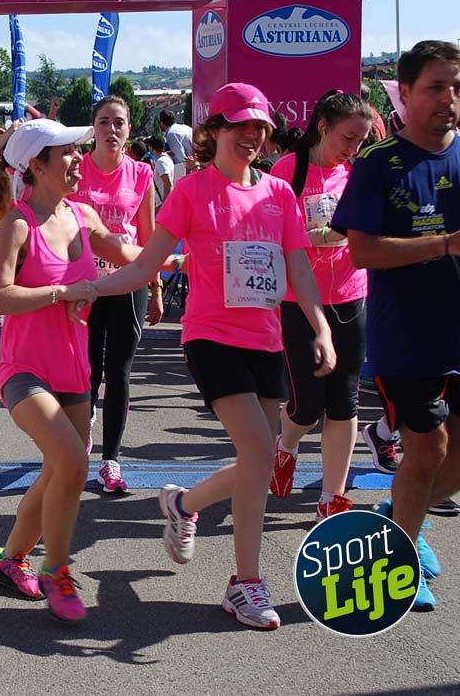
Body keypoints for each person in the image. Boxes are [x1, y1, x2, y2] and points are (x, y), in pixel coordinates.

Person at [96, 83, 335, 630]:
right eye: (239, 126)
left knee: (260, 459)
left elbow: (298, 268)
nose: (250, 136)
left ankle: (183, 504)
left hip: (266, 338)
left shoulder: (279, 194)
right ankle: (246, 583)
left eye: (259, 128)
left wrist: (320, 326)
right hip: (210, 336)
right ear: (215, 131)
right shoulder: (192, 191)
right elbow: (147, 263)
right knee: (258, 450)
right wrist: (90, 288)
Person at [0, 119, 151, 623]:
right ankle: (57, 569)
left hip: (74, 371)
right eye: (68, 154)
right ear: (37, 164)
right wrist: (62, 292)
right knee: (74, 464)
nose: (80, 159)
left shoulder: (82, 215)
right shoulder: (18, 223)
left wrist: (185, 260)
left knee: (59, 470)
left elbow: (130, 259)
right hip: (25, 370)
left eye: (79, 151)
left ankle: (10, 559)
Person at [332, 40, 460, 612]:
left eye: (457, 87)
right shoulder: (378, 163)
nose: (449, 99)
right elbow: (361, 252)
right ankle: (398, 564)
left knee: (447, 462)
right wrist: (445, 244)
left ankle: (398, 515)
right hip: (407, 337)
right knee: (428, 449)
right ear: (404, 94)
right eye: (436, 87)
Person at [267, 91, 372, 522]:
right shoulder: (288, 170)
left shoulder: (358, 173)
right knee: (307, 403)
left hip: (350, 294)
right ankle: (285, 447)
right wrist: (316, 237)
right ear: (324, 126)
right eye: (348, 138)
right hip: (299, 300)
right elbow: (272, 235)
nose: (353, 148)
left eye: (361, 141)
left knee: (345, 401)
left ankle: (332, 496)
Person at [70, 96, 164, 494]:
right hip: (85, 284)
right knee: (88, 367)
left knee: (120, 370)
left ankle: (111, 460)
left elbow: (149, 235)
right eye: (105, 122)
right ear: (94, 128)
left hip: (128, 281)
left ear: (129, 129)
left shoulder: (141, 173)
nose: (112, 130)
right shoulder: (77, 169)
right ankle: (84, 424)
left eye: (120, 123)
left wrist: (156, 287)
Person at [159, 110, 194, 176]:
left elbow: (182, 160)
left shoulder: (171, 134)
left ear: (162, 123)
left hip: (193, 167)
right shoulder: (185, 127)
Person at [146, 136, 175, 203]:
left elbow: (168, 185)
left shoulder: (161, 161)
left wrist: (165, 206)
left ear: (152, 147)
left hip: (162, 203)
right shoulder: (166, 158)